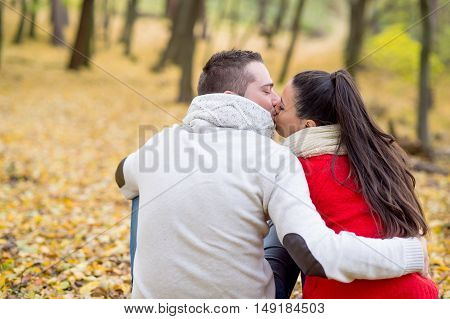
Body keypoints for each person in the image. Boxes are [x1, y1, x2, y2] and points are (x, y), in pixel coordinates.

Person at [115, 50, 427, 298]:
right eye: (267, 90)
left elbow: (121, 175)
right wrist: (411, 251)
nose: (276, 101)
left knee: (138, 191)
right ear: (232, 97)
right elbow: (316, 253)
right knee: (290, 223)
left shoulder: (159, 145)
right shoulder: (276, 158)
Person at [272, 69, 438, 298]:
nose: (273, 109)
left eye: (281, 106)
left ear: (308, 126)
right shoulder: (374, 160)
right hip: (417, 293)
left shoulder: (298, 169)